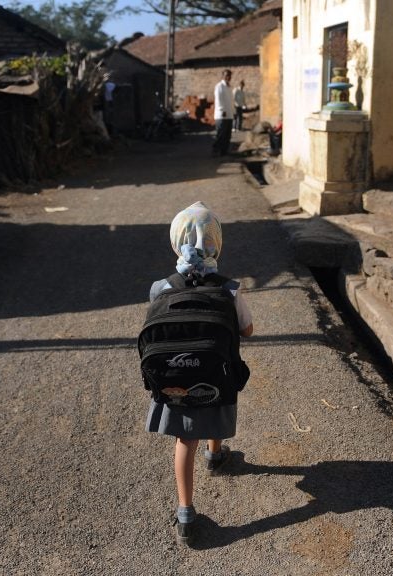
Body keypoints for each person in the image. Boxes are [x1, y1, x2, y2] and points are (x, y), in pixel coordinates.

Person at [145, 201, 254, 547]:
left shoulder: (160, 288)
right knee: (216, 390)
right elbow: (247, 330)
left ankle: (186, 513)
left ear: (177, 242)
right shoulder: (231, 289)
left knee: (183, 440)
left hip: (175, 383)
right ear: (216, 243)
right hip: (216, 380)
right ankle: (216, 454)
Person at [212, 70, 234, 156]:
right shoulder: (219, 86)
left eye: (229, 75)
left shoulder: (229, 87)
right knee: (221, 134)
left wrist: (233, 111)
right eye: (227, 75)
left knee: (227, 135)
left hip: (229, 114)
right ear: (223, 76)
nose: (228, 77)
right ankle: (215, 150)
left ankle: (224, 151)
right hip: (222, 115)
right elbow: (219, 100)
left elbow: (230, 101)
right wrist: (222, 111)